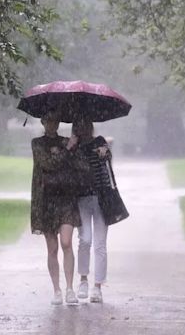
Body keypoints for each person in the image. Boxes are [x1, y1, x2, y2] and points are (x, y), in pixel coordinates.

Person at [30, 112, 87, 305]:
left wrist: (75, 146)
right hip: (47, 201)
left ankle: (70, 288)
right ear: (43, 122)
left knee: (66, 243)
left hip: (66, 199)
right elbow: (48, 165)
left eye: (55, 120)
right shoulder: (37, 143)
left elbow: (80, 165)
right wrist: (67, 150)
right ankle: (57, 290)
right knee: (52, 248)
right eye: (48, 120)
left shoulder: (67, 141)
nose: (52, 124)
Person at [70, 118, 113, 303]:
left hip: (102, 197)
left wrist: (104, 152)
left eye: (86, 124)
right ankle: (83, 280)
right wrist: (70, 148)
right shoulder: (73, 147)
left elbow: (108, 156)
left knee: (100, 244)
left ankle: (98, 286)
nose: (83, 128)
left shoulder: (99, 142)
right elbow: (66, 166)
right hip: (81, 198)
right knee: (85, 239)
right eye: (79, 125)